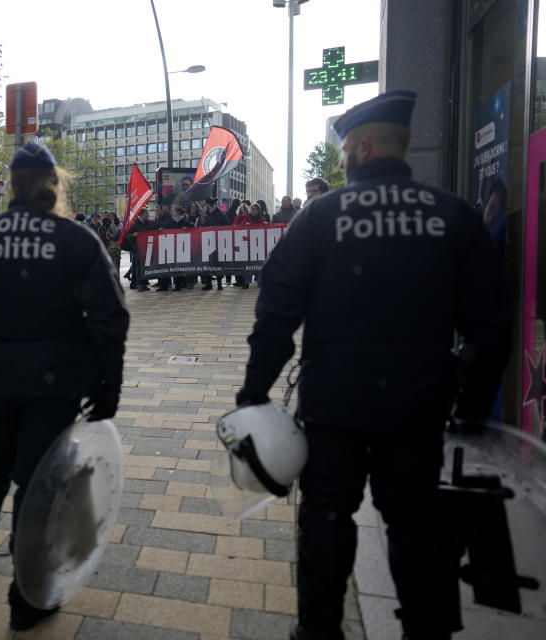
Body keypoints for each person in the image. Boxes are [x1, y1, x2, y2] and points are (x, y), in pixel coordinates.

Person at [235, 91, 511, 640]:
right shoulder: (452, 215)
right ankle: (425, 631)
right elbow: (492, 325)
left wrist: (254, 393)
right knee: (414, 522)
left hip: (335, 402)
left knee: (328, 516)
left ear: (362, 148)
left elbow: (276, 313)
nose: (341, 162)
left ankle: (318, 630)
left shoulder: (319, 216)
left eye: (342, 152)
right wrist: (472, 408)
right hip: (419, 405)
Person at [0, 142, 129, 631]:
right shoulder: (75, 239)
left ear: (13, 185)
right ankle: (28, 593)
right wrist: (108, 385)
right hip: (54, 383)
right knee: (39, 481)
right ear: (52, 185)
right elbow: (111, 317)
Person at [122, 207, 153, 291]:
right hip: (137, 248)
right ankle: (138, 283)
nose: (148, 215)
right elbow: (127, 236)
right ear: (142, 214)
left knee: (146, 266)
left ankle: (144, 283)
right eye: (146, 213)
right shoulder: (134, 224)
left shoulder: (149, 223)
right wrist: (133, 235)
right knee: (138, 266)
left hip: (147, 248)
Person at [201, 200, 228, 290]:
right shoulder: (206, 213)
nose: (205, 205)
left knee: (217, 263)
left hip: (217, 241)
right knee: (208, 263)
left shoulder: (219, 213)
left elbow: (227, 223)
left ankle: (219, 283)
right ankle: (208, 283)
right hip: (207, 240)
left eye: (206, 204)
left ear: (209, 204)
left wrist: (218, 227)